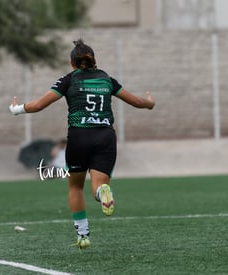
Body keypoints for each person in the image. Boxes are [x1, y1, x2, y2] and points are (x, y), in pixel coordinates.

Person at [9, 39, 155, 249]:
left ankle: (83, 235)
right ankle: (101, 192)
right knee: (98, 185)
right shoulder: (107, 80)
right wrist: (150, 103)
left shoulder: (68, 80)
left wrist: (17, 109)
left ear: (72, 63)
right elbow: (138, 102)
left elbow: (39, 105)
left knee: (75, 187)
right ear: (94, 60)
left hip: (79, 138)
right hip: (105, 137)